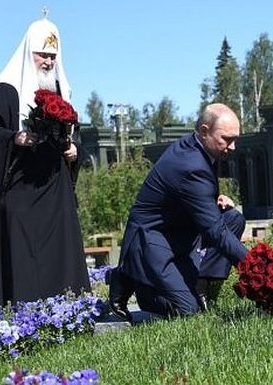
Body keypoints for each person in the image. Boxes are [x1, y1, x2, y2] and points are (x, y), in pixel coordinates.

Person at [0, 16, 91, 305]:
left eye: (53, 56)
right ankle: (26, 318)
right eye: (42, 54)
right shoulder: (6, 90)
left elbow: (74, 135)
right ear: (29, 53)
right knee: (24, 258)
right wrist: (14, 137)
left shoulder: (61, 90)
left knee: (61, 254)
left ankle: (69, 312)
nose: (48, 62)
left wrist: (75, 150)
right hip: (20, 189)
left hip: (56, 190)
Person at [106, 103, 248, 320]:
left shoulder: (199, 147)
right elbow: (214, 231)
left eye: (235, 139)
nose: (233, 146)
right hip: (151, 240)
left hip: (179, 231)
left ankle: (199, 284)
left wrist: (213, 200)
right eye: (227, 139)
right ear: (204, 131)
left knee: (233, 218)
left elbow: (190, 194)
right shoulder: (191, 165)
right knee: (188, 311)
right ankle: (131, 280)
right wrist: (254, 265)